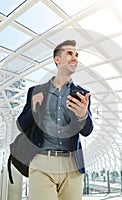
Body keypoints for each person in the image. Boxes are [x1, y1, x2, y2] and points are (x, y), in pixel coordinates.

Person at [17, 40, 93, 200]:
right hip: (41, 161)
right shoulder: (35, 91)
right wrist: (33, 109)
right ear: (57, 59)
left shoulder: (82, 94)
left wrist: (83, 115)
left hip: (72, 165)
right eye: (70, 54)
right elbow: (21, 125)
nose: (75, 58)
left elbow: (87, 131)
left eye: (77, 55)